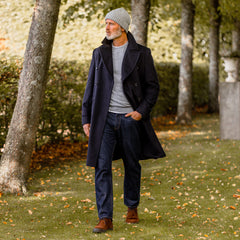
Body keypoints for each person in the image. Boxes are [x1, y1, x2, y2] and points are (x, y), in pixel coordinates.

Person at [82, 7, 166, 233]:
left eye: (111, 23)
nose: (107, 27)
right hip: (104, 120)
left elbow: (152, 87)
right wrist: (85, 118)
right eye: (106, 24)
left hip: (130, 119)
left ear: (123, 26)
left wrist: (141, 111)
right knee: (102, 167)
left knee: (131, 164)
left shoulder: (142, 53)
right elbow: (90, 88)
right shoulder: (99, 53)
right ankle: (105, 217)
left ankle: (131, 206)